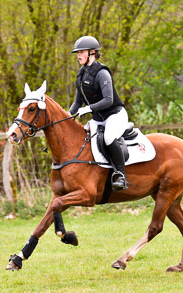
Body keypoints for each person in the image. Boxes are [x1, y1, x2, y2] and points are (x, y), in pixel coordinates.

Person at [69, 35, 128, 191]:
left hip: (115, 115)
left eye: (81, 52)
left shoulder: (102, 73)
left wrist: (89, 108)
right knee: (82, 138)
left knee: (108, 137)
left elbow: (108, 100)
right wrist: (67, 117)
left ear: (92, 52)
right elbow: (77, 103)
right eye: (77, 52)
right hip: (98, 119)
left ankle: (121, 175)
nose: (78, 55)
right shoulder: (81, 74)